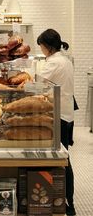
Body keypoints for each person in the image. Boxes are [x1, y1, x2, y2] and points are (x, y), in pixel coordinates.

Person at [37, 29, 76, 216]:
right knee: (64, 156)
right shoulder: (65, 60)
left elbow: (37, 84)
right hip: (66, 114)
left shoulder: (53, 62)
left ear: (47, 46)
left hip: (58, 114)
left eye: (42, 46)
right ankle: (67, 201)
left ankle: (67, 203)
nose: (41, 50)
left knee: (63, 160)